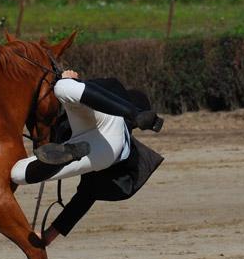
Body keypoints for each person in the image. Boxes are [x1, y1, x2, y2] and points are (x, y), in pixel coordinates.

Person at [10, 71, 164, 244]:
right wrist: (48, 236)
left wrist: (73, 81)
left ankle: (73, 149)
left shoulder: (114, 87)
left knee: (62, 87)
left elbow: (88, 92)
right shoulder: (123, 157)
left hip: (104, 135)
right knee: (17, 174)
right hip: (99, 150)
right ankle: (72, 152)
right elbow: (82, 200)